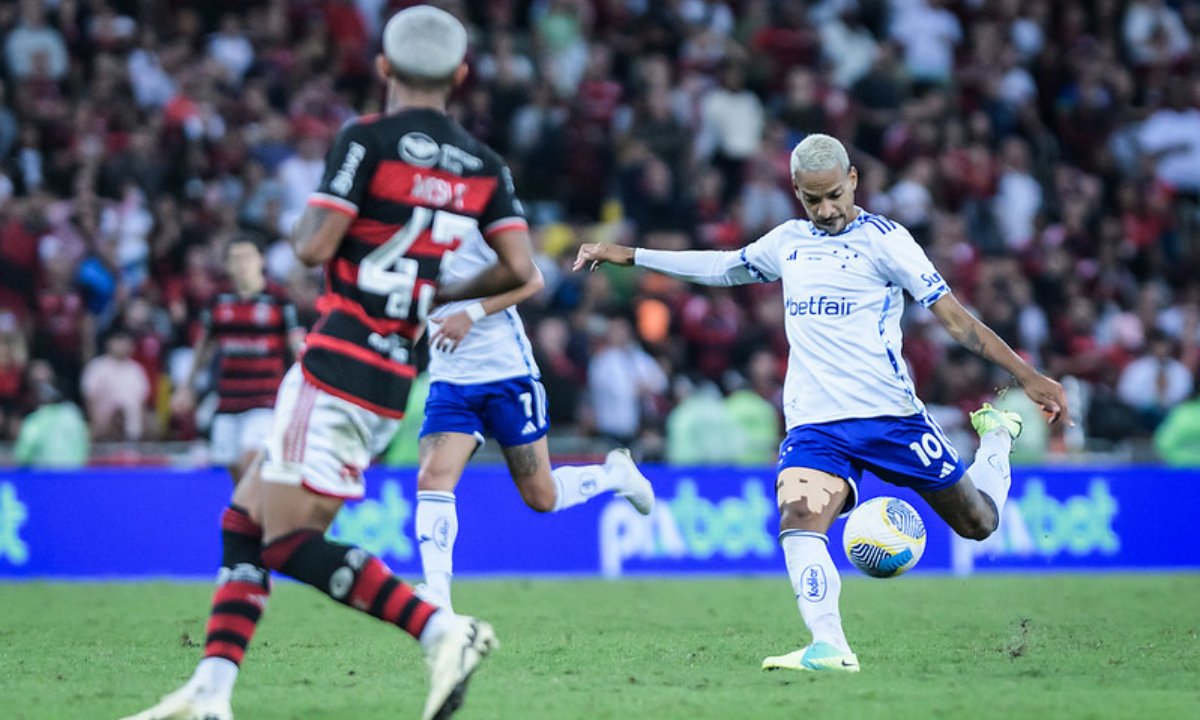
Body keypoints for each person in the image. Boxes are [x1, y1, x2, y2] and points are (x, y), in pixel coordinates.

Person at [121, 7, 539, 720]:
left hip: (336, 361)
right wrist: (434, 290)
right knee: (244, 521)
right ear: (461, 76)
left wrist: (304, 218)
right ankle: (211, 693)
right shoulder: (482, 166)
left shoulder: (366, 142)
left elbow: (314, 248)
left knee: (286, 539)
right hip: (390, 374)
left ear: (383, 67)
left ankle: (443, 630)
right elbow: (520, 268)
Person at [574, 133, 1071, 673]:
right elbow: (722, 266)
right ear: (795, 191)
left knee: (978, 523)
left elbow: (954, 319)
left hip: (890, 418)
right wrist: (629, 255)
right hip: (815, 425)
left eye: (835, 194)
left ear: (853, 179)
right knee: (798, 518)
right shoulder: (788, 242)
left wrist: (1026, 375)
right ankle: (831, 646)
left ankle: (996, 436)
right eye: (813, 200)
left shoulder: (888, 241)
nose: (827, 209)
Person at [414, 230, 654, 611]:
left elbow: (533, 280)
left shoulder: (474, 223)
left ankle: (615, 474)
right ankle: (438, 594)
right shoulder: (408, 227)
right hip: (450, 382)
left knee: (542, 497)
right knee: (432, 477)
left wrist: (470, 314)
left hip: (506, 377)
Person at [173, 233, 304, 482]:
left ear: (261, 261)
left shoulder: (279, 299)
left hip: (265, 398)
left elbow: (296, 344)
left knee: (251, 461)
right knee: (234, 471)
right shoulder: (217, 301)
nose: (241, 264)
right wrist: (186, 387)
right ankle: (250, 518)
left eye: (247, 258)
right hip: (228, 398)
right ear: (227, 265)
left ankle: (254, 517)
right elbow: (204, 346)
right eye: (235, 259)